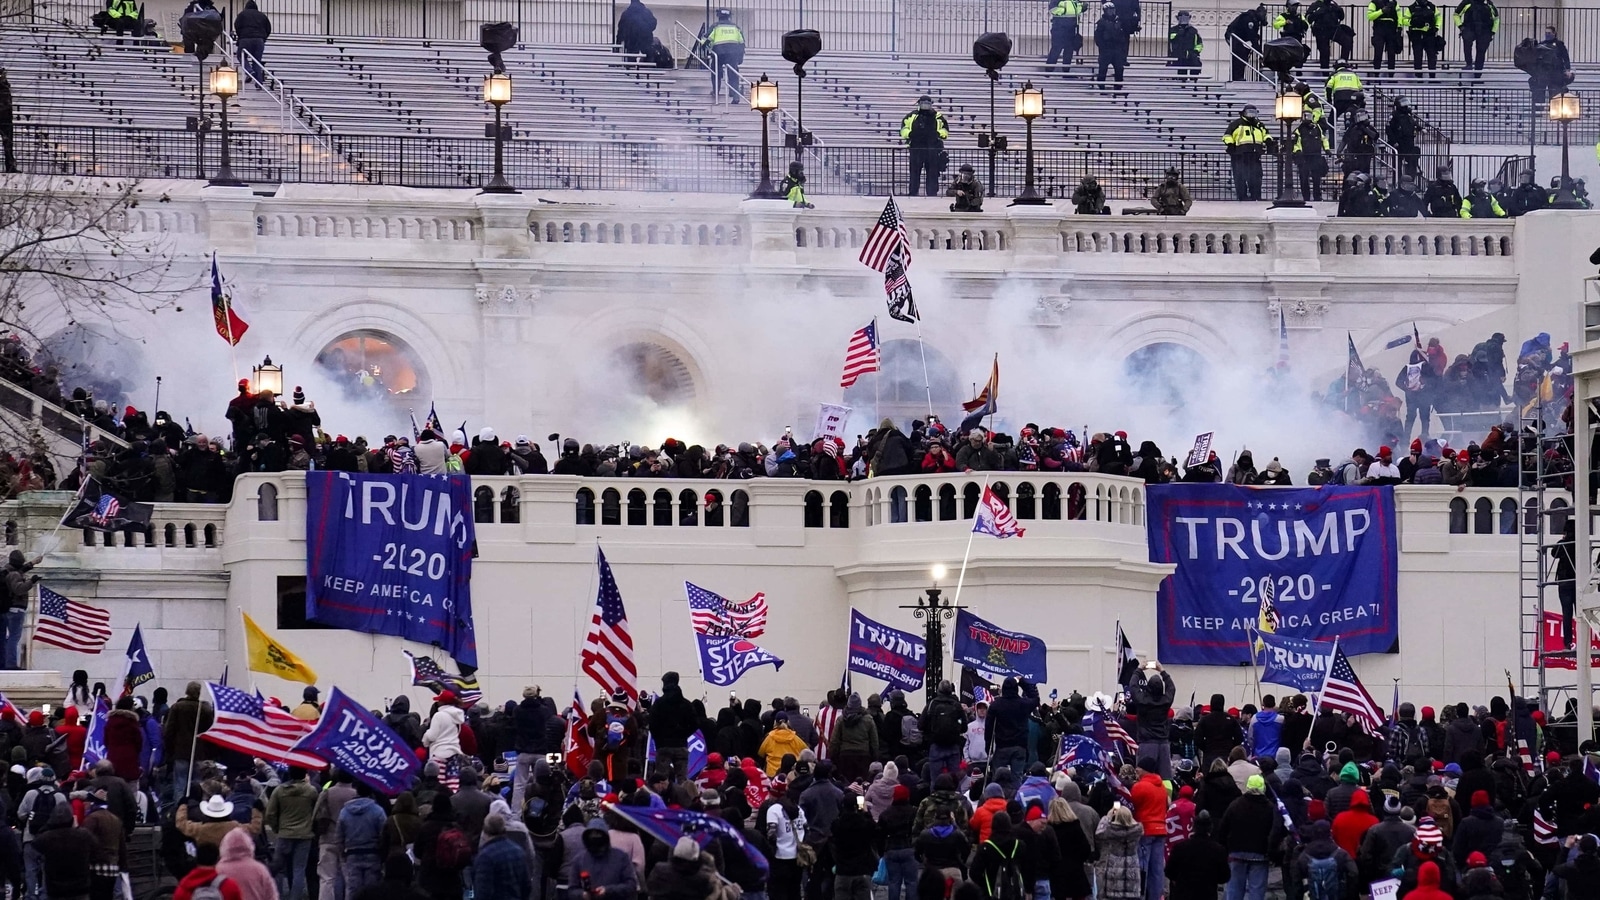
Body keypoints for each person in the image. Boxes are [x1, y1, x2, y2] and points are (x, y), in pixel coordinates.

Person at [1217, 775, 1276, 900]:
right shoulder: (1270, 807)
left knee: (1234, 889)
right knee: (1257, 891)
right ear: (1263, 788)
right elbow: (1274, 831)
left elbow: (1223, 828)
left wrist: (1225, 848)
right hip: (1260, 853)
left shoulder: (1235, 805)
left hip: (1236, 852)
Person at [900, 96, 949, 197]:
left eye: (928, 103)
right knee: (914, 172)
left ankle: (932, 193)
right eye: (923, 103)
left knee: (932, 172)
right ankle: (913, 192)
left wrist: (938, 134)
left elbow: (945, 130)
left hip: (933, 149)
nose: (925, 105)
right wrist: (910, 134)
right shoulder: (912, 116)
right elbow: (903, 128)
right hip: (916, 148)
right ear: (919, 104)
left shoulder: (938, 116)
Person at [1223, 105, 1270, 201]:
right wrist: (1230, 144)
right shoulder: (1236, 124)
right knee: (1240, 176)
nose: (1251, 114)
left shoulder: (1259, 125)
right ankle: (1242, 196)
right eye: (1249, 112)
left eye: (1253, 112)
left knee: (1256, 176)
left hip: (1255, 154)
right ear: (1244, 113)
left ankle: (1256, 196)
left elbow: (1266, 134)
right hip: (1240, 154)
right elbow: (1227, 135)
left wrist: (1269, 140)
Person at [1, 551, 38, 671]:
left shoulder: (7, 572)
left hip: (7, 609)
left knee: (6, 637)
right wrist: (31, 582)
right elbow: (18, 589)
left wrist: (33, 563)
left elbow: (19, 572)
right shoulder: (14, 575)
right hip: (16, 609)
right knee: (14, 637)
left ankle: (5, 662)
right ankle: (10, 663)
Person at [705, 8, 744, 103]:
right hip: (733, 54)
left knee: (716, 73)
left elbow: (706, 39)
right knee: (733, 74)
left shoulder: (715, 26)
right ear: (729, 16)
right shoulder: (736, 27)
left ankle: (716, 91)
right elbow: (742, 43)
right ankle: (735, 95)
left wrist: (705, 49)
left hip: (718, 53)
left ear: (719, 16)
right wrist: (740, 57)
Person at [1291, 110, 1330, 201]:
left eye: (1308, 116)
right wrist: (1298, 151)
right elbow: (1296, 142)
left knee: (1316, 178)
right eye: (1305, 116)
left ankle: (1317, 196)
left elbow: (1323, 139)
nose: (1307, 118)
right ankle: (1306, 197)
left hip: (1316, 156)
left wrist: (1327, 149)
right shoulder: (1299, 129)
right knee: (1304, 178)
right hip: (1304, 158)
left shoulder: (1317, 128)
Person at [1224, 4, 1269, 80]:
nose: (1264, 16)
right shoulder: (1249, 19)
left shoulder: (1254, 19)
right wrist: (1260, 53)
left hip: (1239, 37)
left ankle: (1238, 76)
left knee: (1242, 55)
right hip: (1232, 36)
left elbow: (1252, 35)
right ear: (1259, 12)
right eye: (1264, 14)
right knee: (1240, 55)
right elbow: (1251, 36)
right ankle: (1237, 77)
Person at [1454, 0, 1499, 74]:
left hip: (1485, 31)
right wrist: (1461, 27)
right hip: (1470, 29)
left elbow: (1496, 19)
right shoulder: (1467, 2)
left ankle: (1478, 73)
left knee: (1481, 51)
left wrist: (1492, 31)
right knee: (1467, 45)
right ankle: (1469, 64)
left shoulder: (1489, 4)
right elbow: (1456, 14)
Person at [233, 0, 271, 84]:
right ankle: (259, 82)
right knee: (257, 61)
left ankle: (249, 71)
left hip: (245, 39)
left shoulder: (242, 15)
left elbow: (237, 26)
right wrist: (263, 38)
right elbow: (268, 28)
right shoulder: (262, 15)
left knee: (241, 56)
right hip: (259, 40)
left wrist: (240, 36)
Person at [1094, 2, 1130, 89]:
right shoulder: (1101, 23)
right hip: (1106, 50)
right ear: (1105, 11)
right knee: (1102, 70)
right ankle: (1101, 87)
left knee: (1119, 69)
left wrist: (1122, 49)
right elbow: (1098, 37)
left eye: (1113, 9)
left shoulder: (1119, 21)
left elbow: (1123, 37)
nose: (1112, 12)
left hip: (1117, 50)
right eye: (1109, 10)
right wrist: (1103, 47)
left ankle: (1118, 88)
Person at [1308, 0, 1352, 70]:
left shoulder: (1333, 3)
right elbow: (1309, 18)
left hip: (1334, 29)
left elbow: (1341, 17)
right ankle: (1325, 72)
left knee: (1347, 41)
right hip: (1321, 31)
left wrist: (1339, 10)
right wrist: (1320, 12)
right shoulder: (1316, 5)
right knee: (1324, 51)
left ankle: (1342, 63)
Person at [1387, 97, 1422, 180]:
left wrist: (1421, 128)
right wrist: (1394, 141)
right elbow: (1389, 129)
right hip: (1399, 143)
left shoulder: (1408, 114)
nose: (1405, 105)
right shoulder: (1394, 115)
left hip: (1409, 142)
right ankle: (1398, 181)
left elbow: (1414, 123)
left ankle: (1410, 180)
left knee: (1411, 162)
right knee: (1397, 164)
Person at [1047, 0, 1084, 71]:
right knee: (1056, 49)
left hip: (1071, 28)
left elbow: (1076, 10)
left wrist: (1082, 7)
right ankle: (1049, 70)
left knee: (1069, 51)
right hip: (1059, 28)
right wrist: (1064, 10)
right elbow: (1052, 9)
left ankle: (1066, 71)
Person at [1339, 109, 1379, 175]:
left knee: (1365, 174)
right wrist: (1339, 151)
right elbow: (1345, 139)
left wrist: (1364, 129)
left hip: (1365, 155)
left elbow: (1375, 136)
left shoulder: (1369, 128)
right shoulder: (1352, 128)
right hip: (1353, 155)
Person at [1168, 11, 1202, 79]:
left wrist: (1196, 51)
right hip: (1178, 55)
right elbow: (1171, 38)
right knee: (1181, 73)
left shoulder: (1193, 30)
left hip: (1191, 55)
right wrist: (1179, 33)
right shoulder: (1174, 29)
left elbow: (1199, 43)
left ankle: (1194, 84)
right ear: (1178, 18)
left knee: (1196, 67)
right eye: (1181, 18)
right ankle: (1182, 85)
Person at [1369, 0, 1402, 69]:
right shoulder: (1374, 2)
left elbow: (1399, 16)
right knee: (1378, 52)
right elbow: (1370, 16)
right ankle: (1376, 74)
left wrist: (1399, 26)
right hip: (1379, 29)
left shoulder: (1394, 3)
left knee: (1391, 53)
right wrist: (1381, 11)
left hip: (1391, 29)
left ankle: (1391, 75)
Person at [0, 68, 15, 174]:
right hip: (3, 118)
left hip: (7, 119)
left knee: (8, 145)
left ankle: (10, 166)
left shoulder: (5, 86)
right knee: (8, 144)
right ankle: (10, 166)